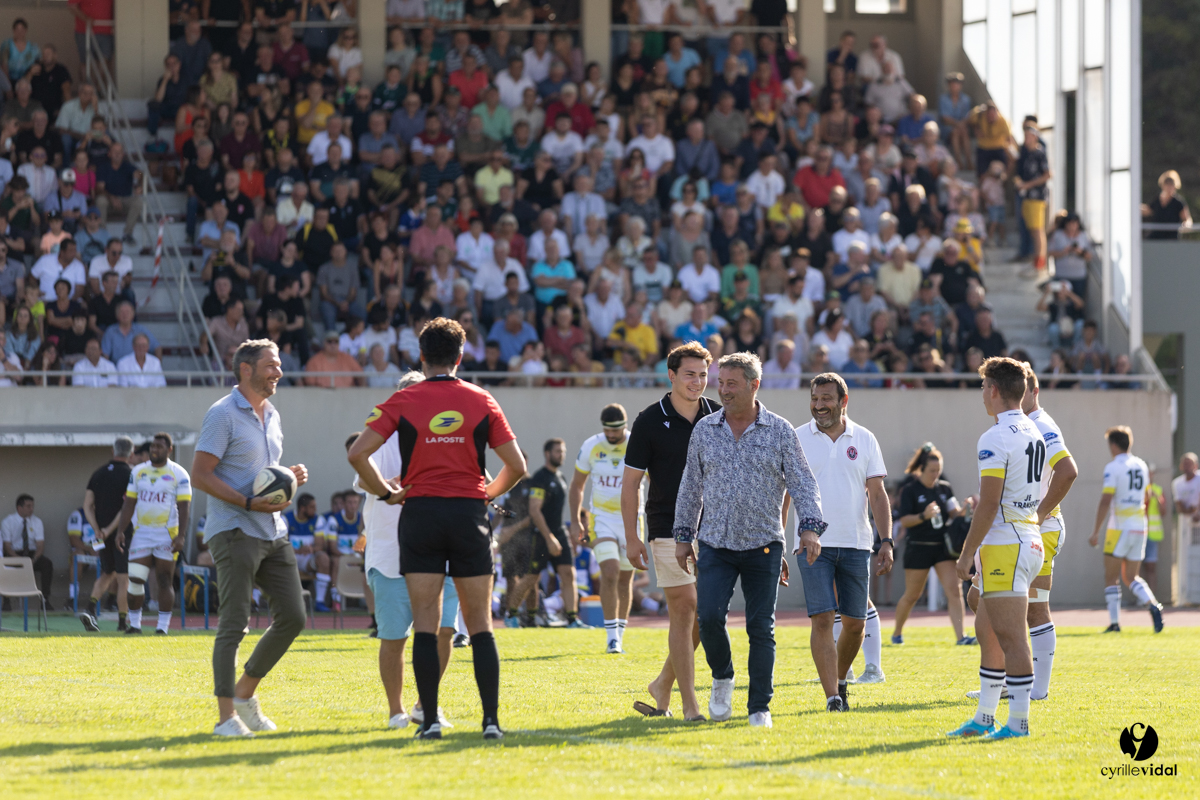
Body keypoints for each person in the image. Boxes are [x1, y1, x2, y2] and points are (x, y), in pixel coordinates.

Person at [348, 318, 527, 741]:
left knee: (425, 625)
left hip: (420, 516)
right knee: (479, 623)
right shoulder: (482, 399)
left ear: (422, 357)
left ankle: (428, 721)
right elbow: (517, 467)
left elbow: (358, 453)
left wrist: (387, 493)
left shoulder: (405, 399)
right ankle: (491, 723)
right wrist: (486, 493)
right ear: (460, 357)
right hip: (468, 517)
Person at [673, 352, 826, 729]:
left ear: (754, 385)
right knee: (708, 619)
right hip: (714, 543)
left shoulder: (780, 431)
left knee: (761, 627)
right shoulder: (705, 430)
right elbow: (690, 487)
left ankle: (760, 706)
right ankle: (722, 677)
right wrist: (682, 535)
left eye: (731, 384)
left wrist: (809, 527)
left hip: (763, 544)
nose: (722, 390)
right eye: (720, 382)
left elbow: (804, 483)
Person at [192, 340, 311, 737]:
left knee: (294, 616)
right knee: (234, 622)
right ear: (246, 369)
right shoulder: (222, 414)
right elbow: (201, 475)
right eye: (271, 365)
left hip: (273, 530)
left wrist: (288, 477)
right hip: (234, 530)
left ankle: (245, 693)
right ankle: (226, 718)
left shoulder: (273, 414)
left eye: (278, 365)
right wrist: (246, 501)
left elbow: (263, 472)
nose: (278, 371)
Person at [358, 369, 461, 729]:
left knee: (444, 631)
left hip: (442, 549)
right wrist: (387, 486)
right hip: (390, 554)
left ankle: (424, 705)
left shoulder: (447, 435)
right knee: (394, 638)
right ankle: (395, 711)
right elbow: (362, 472)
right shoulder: (385, 438)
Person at [622, 342, 720, 719]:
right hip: (665, 526)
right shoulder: (649, 420)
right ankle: (690, 705)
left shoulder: (718, 415)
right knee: (686, 607)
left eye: (702, 375)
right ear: (672, 375)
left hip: (714, 527)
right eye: (690, 374)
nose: (697, 382)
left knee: (708, 613)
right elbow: (630, 485)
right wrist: (632, 537)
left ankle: (662, 683)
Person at [948, 357, 1044, 741]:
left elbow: (989, 503)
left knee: (1011, 636)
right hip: (1024, 536)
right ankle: (984, 717)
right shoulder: (1032, 430)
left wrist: (966, 554)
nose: (981, 394)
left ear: (993, 389)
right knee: (986, 628)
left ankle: (1018, 723)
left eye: (983, 386)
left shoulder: (995, 436)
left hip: (1008, 543)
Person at [789, 374, 892, 710]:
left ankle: (840, 678)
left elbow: (878, 494)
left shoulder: (865, 438)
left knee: (855, 623)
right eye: (815, 398)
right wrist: (779, 540)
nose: (819, 405)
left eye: (826, 399)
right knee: (822, 618)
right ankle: (833, 696)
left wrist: (886, 540)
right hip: (812, 543)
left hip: (857, 542)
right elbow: (784, 496)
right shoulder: (796, 438)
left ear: (843, 400)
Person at [1019, 371, 1079, 699]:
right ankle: (1007, 680)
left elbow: (1068, 471)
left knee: (1035, 608)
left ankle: (1037, 690)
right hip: (1016, 529)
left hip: (1041, 529)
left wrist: (1039, 515)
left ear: (1035, 390)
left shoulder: (1043, 425)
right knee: (982, 601)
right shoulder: (1018, 425)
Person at [569, 404, 638, 654]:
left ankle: (620, 632)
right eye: (607, 430)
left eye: (616, 430)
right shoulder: (591, 445)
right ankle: (611, 638)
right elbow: (577, 485)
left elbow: (655, 481)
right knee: (609, 571)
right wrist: (576, 519)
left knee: (625, 579)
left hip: (632, 519)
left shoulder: (637, 443)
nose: (611, 435)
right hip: (602, 519)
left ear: (625, 426)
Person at [891, 444, 973, 646]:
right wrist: (923, 515)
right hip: (918, 547)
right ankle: (897, 633)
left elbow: (954, 513)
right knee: (912, 595)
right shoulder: (910, 490)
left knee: (955, 590)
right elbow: (905, 520)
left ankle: (961, 637)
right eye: (932, 471)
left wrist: (966, 509)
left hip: (942, 548)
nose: (936, 474)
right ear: (921, 469)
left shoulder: (944, 488)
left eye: (938, 470)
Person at [110, 433, 190, 635]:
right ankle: (135, 625)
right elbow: (129, 503)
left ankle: (162, 627)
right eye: (153, 446)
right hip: (142, 533)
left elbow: (184, 507)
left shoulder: (179, 473)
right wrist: (120, 531)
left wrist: (180, 536)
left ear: (169, 450)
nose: (155, 449)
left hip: (166, 534)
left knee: (164, 580)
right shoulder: (138, 471)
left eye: (160, 447)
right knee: (136, 579)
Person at [1088, 426, 1164, 633]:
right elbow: (1147, 497)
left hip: (1119, 528)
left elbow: (1106, 500)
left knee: (1111, 577)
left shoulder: (1113, 467)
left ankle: (1114, 623)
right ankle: (1153, 604)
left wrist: (1095, 531)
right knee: (1131, 577)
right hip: (1140, 527)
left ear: (1113, 445)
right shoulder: (1141, 465)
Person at [77, 436, 133, 631]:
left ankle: (90, 608)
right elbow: (127, 506)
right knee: (123, 577)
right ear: (131, 454)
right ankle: (121, 623)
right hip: (122, 534)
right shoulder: (131, 475)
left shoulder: (98, 473)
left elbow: (87, 505)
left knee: (107, 572)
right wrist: (110, 530)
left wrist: (98, 529)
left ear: (113, 451)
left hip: (101, 535)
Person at [1, 494, 53, 608]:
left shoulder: (37, 521)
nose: (31, 509)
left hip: (31, 554)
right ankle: (6, 602)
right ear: (19, 508)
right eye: (28, 506)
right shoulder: (8, 522)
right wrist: (20, 560)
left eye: (32, 506)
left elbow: (40, 546)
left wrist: (33, 559)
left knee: (47, 564)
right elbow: (7, 547)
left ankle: (45, 600)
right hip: (15, 554)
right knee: (4, 565)